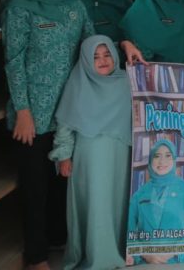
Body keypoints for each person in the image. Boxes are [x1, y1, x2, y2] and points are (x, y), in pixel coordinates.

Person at [3, 0, 95, 270]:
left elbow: (91, 46)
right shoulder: (19, 7)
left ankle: (57, 240)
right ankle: (36, 256)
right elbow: (13, 61)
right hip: (33, 115)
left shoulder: (75, 6)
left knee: (62, 184)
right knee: (35, 188)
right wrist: (23, 112)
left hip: (69, 111)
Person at [49, 35, 131, 270]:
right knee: (95, 203)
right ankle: (98, 255)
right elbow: (65, 125)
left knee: (118, 203)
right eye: (95, 57)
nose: (103, 60)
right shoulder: (78, 85)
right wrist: (64, 156)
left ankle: (118, 249)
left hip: (120, 156)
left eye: (107, 55)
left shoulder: (126, 82)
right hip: (89, 159)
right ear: (85, 60)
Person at [127, 139, 184, 264]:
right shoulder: (139, 194)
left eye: (168, 156)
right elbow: (128, 233)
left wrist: (172, 251)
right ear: (150, 160)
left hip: (178, 263)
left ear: (174, 159)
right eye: (157, 156)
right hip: (146, 264)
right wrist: (146, 254)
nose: (162, 161)